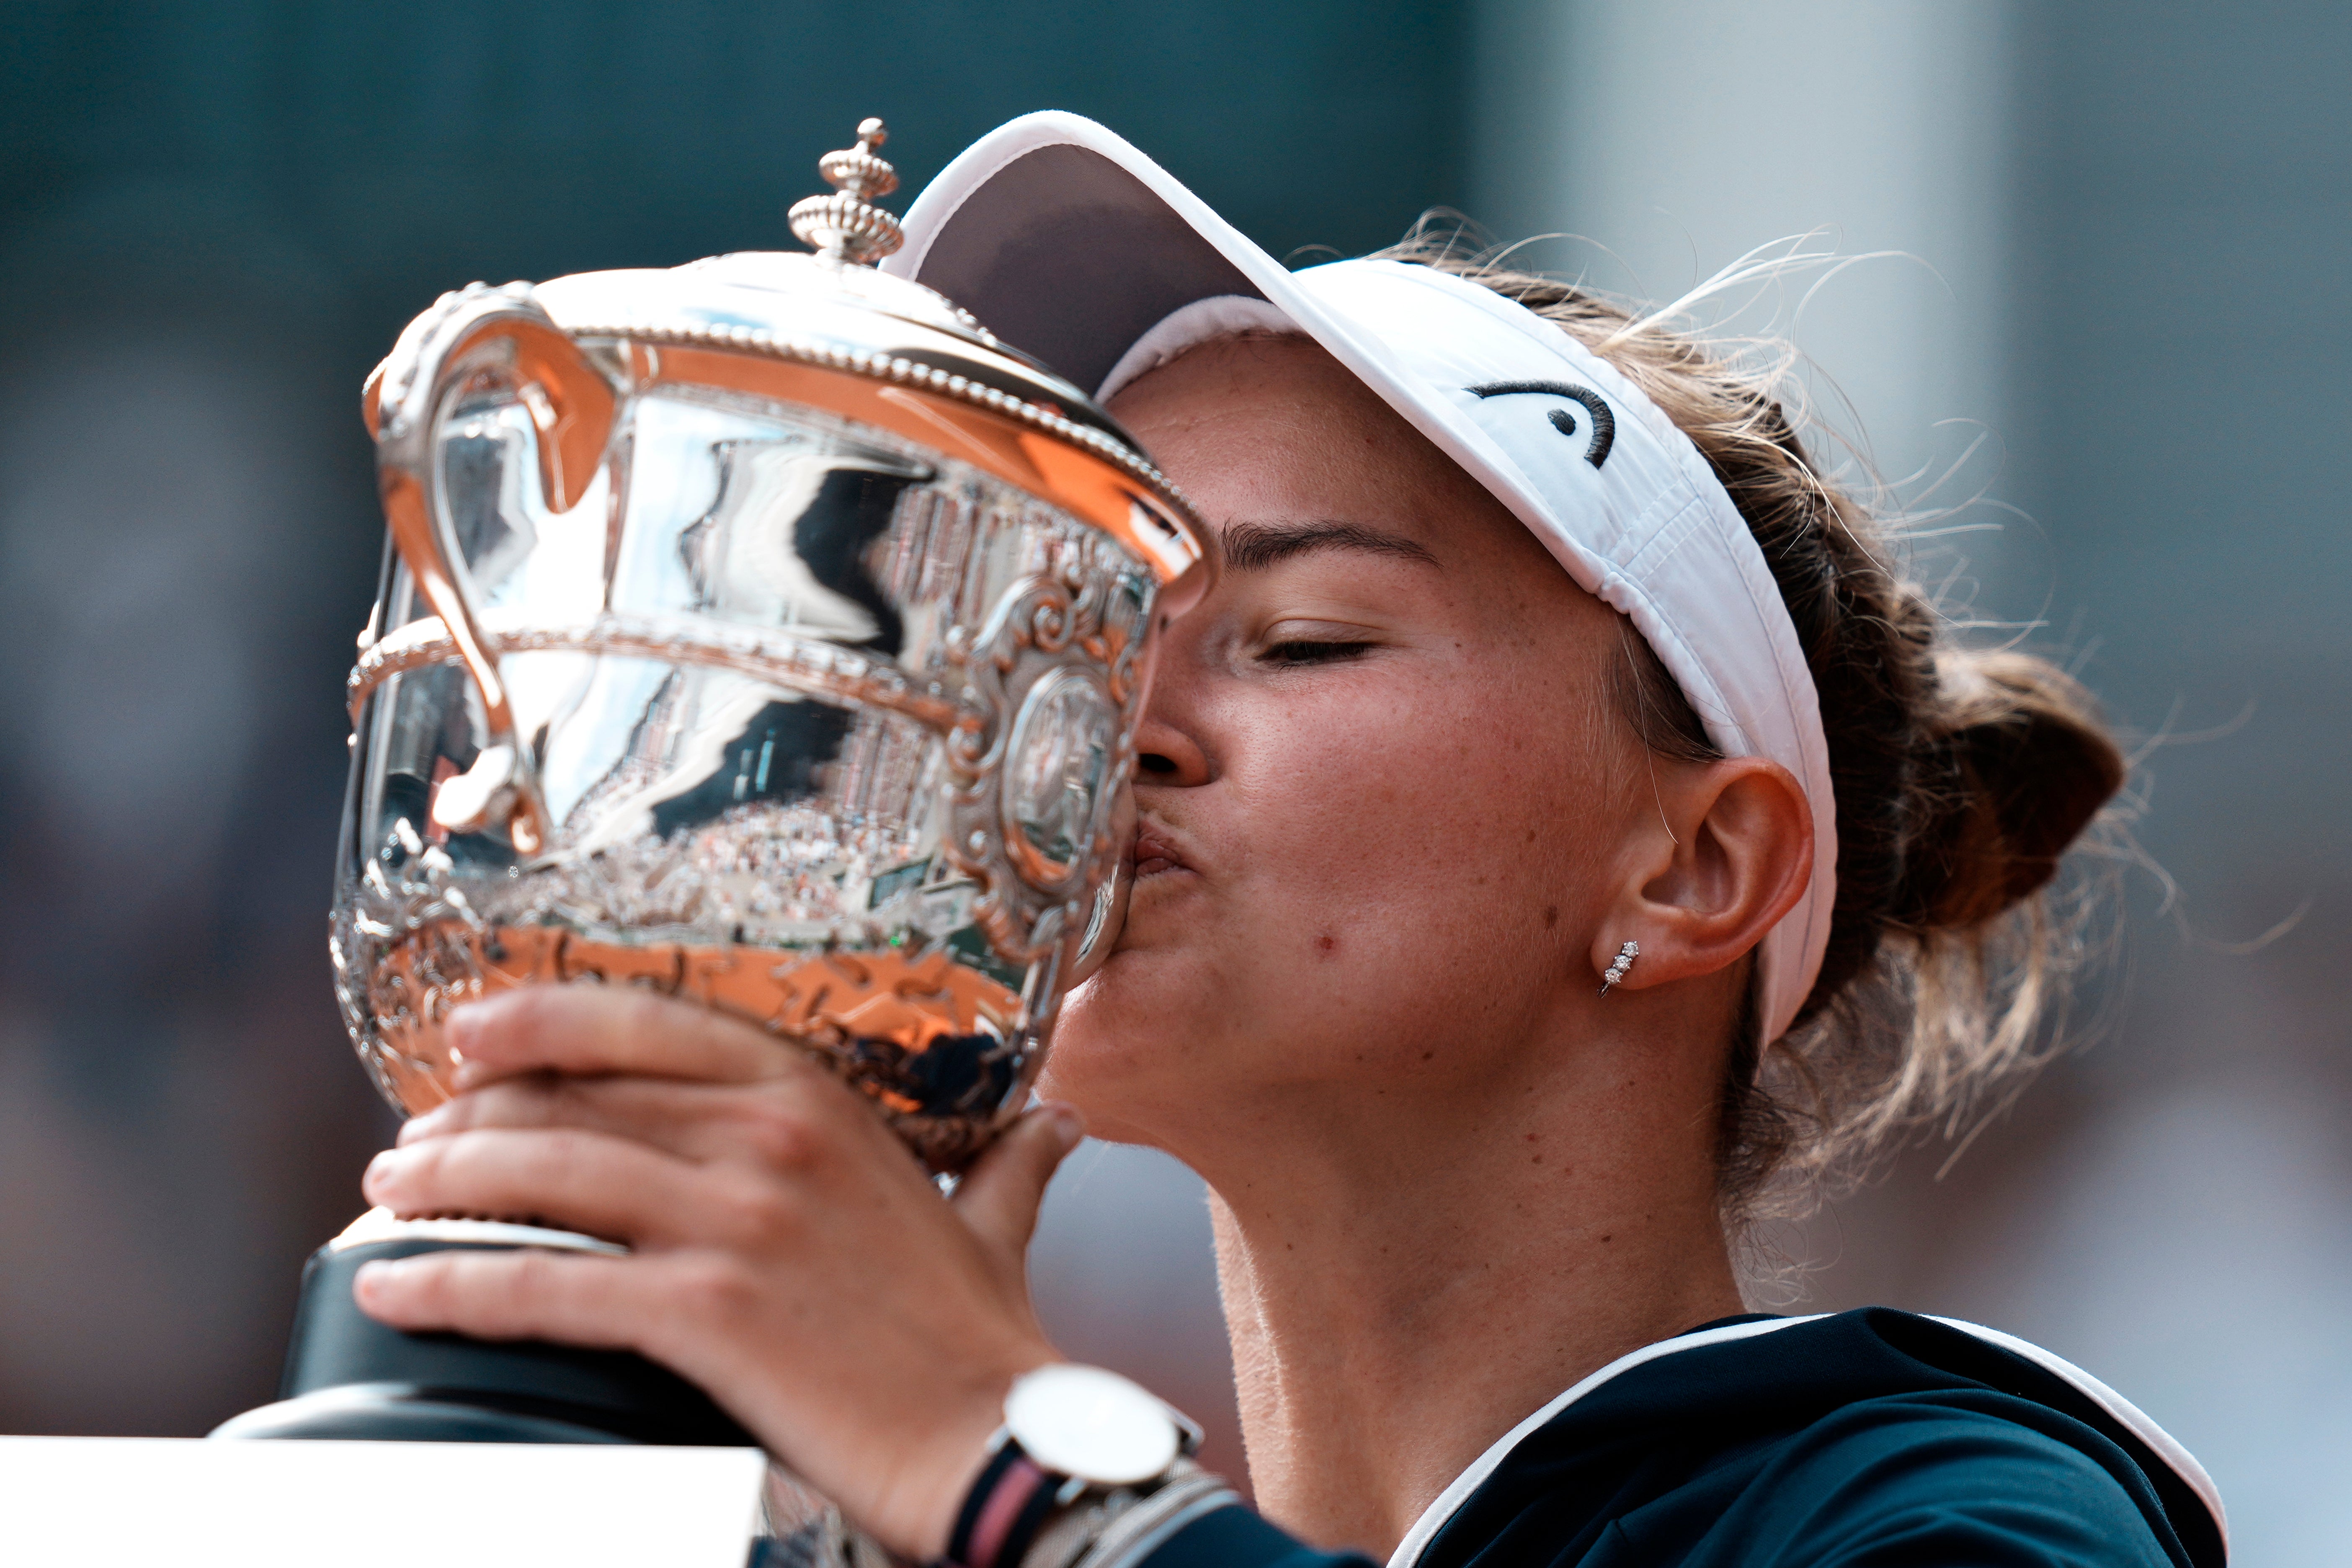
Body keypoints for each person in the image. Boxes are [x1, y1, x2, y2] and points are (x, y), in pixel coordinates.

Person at [347, 115, 2226, 1568]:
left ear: (1697, 865)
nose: (1103, 736)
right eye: (1064, 646)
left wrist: (1010, 1466)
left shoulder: (1949, 1505)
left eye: (1304, 637)